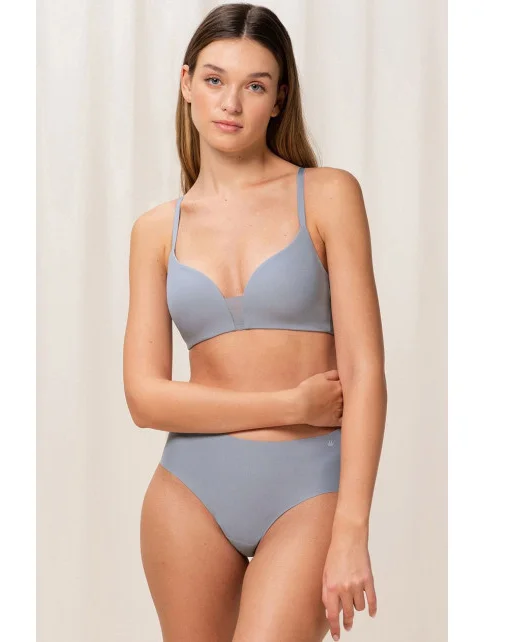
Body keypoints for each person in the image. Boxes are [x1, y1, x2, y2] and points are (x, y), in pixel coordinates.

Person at [122, 4, 387, 641]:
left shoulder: (328, 195)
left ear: (279, 98)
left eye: (255, 85)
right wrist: (290, 404)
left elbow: (365, 372)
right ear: (186, 83)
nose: (231, 103)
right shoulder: (156, 231)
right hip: (188, 491)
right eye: (214, 79)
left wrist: (352, 529)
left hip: (309, 489)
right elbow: (145, 399)